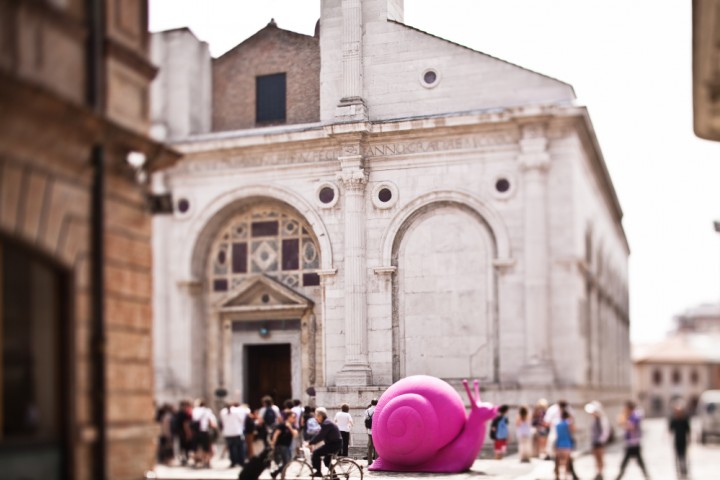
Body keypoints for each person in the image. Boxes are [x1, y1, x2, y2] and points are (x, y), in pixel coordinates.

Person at [615, 401, 650, 480]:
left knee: (632, 461)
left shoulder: (635, 416)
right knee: (636, 461)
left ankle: (619, 476)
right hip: (629, 442)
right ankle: (646, 475)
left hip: (634, 442)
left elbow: (632, 427)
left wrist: (623, 422)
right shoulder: (629, 416)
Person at [307, 407, 343, 477]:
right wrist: (311, 441)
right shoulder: (326, 422)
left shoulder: (326, 424)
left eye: (316, 416)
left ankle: (318, 472)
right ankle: (335, 477)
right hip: (333, 443)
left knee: (316, 453)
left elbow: (320, 436)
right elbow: (319, 434)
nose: (315, 418)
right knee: (327, 461)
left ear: (320, 416)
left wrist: (310, 443)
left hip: (334, 444)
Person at [585, 401, 611, 480]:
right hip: (594, 441)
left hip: (599, 442)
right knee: (596, 458)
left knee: (600, 458)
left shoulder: (602, 419)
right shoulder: (594, 419)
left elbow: (605, 431)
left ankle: (600, 473)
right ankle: (598, 472)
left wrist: (601, 440)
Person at [270, 411, 299, 479]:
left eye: (295, 417)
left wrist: (290, 427)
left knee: (287, 462)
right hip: (280, 445)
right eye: (293, 417)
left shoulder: (292, 426)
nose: (294, 419)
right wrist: (273, 443)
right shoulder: (282, 425)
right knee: (286, 462)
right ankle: (281, 475)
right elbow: (276, 434)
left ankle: (275, 473)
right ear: (288, 417)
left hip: (286, 446)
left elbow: (295, 434)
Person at [221, 401, 248, 468]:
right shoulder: (237, 411)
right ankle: (241, 461)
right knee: (240, 447)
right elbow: (242, 420)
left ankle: (233, 462)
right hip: (237, 432)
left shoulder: (223, 412)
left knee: (231, 448)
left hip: (228, 432)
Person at [192, 399, 218, 468]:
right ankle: (206, 462)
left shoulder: (194, 410)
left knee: (196, 448)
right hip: (204, 431)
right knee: (205, 448)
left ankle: (196, 461)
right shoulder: (207, 411)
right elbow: (212, 422)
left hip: (196, 432)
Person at [669, 402, 691, 479]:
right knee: (677, 457)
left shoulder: (684, 420)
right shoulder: (674, 420)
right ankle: (679, 471)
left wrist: (689, 439)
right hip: (677, 441)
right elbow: (670, 429)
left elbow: (688, 430)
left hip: (683, 441)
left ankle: (684, 471)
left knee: (683, 456)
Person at [555, 410, 575, 480]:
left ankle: (558, 476)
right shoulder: (568, 423)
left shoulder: (557, 425)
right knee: (566, 463)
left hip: (559, 445)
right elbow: (573, 429)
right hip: (567, 445)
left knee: (559, 463)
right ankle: (565, 477)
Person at [365, 399, 378, 466]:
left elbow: (366, 420)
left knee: (370, 446)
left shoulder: (367, 410)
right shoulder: (378, 409)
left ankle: (369, 461)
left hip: (369, 430)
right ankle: (376, 460)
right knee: (377, 446)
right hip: (376, 430)